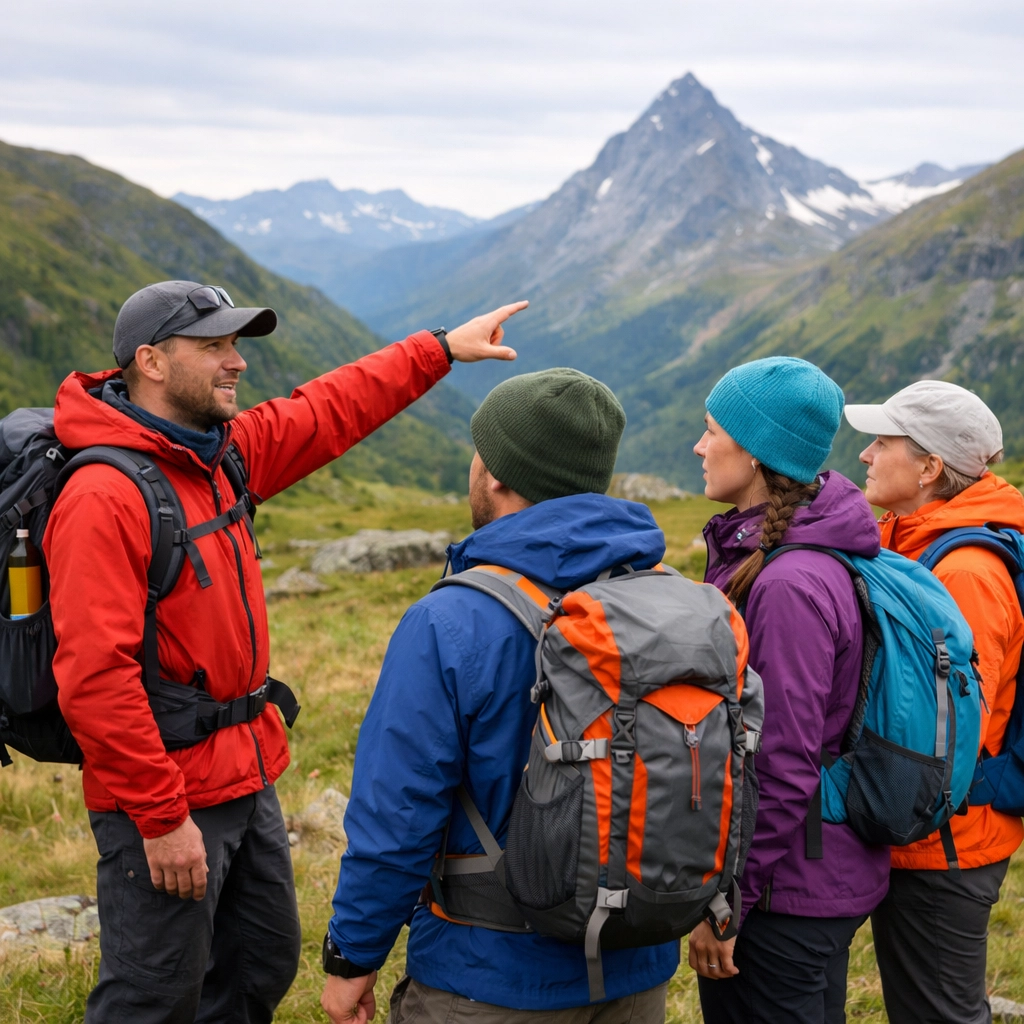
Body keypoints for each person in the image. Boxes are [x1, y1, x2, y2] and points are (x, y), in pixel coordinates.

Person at [42, 278, 527, 1024]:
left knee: (259, 966)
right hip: (166, 793)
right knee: (153, 997)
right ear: (152, 362)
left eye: (236, 345)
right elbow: (94, 679)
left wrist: (436, 352)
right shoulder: (105, 495)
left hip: (243, 772)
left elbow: (327, 410)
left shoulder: (217, 456)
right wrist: (161, 818)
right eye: (214, 348)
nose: (236, 363)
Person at [320, 369, 680, 1024]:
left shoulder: (453, 620)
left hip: (488, 979)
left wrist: (353, 957)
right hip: (637, 967)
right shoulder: (674, 599)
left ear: (496, 476)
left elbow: (396, 814)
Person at [688, 357, 891, 1024]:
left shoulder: (787, 585)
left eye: (713, 430)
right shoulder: (779, 560)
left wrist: (728, 905)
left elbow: (780, 761)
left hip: (788, 890)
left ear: (753, 452)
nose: (699, 445)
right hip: (806, 875)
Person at [845, 380, 1024, 1024]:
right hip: (926, 831)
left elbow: (950, 733)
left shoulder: (966, 570)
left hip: (946, 841)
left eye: (882, 442)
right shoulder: (917, 538)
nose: (865, 455)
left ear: (928, 468)